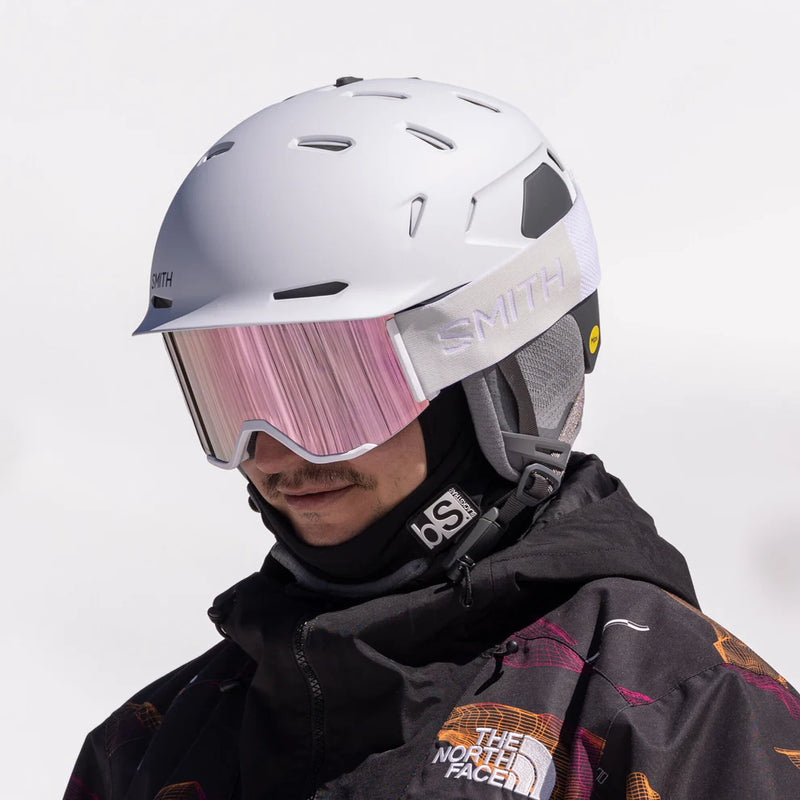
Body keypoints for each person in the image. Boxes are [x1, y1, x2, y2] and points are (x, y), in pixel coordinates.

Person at [64, 77, 800, 800]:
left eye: (329, 392)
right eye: (233, 393)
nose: (274, 451)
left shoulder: (676, 720)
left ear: (499, 381)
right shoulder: (151, 749)